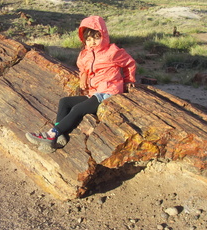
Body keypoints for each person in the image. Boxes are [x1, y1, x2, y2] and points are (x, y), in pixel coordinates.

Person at [26, 15, 137, 150]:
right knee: (65, 102)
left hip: (108, 91)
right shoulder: (85, 54)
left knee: (78, 109)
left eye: (97, 37)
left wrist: (128, 80)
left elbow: (129, 63)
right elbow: (82, 66)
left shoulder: (112, 52)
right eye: (88, 39)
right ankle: (60, 135)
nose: (93, 42)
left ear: (104, 35)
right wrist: (83, 75)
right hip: (94, 92)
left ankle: (51, 135)